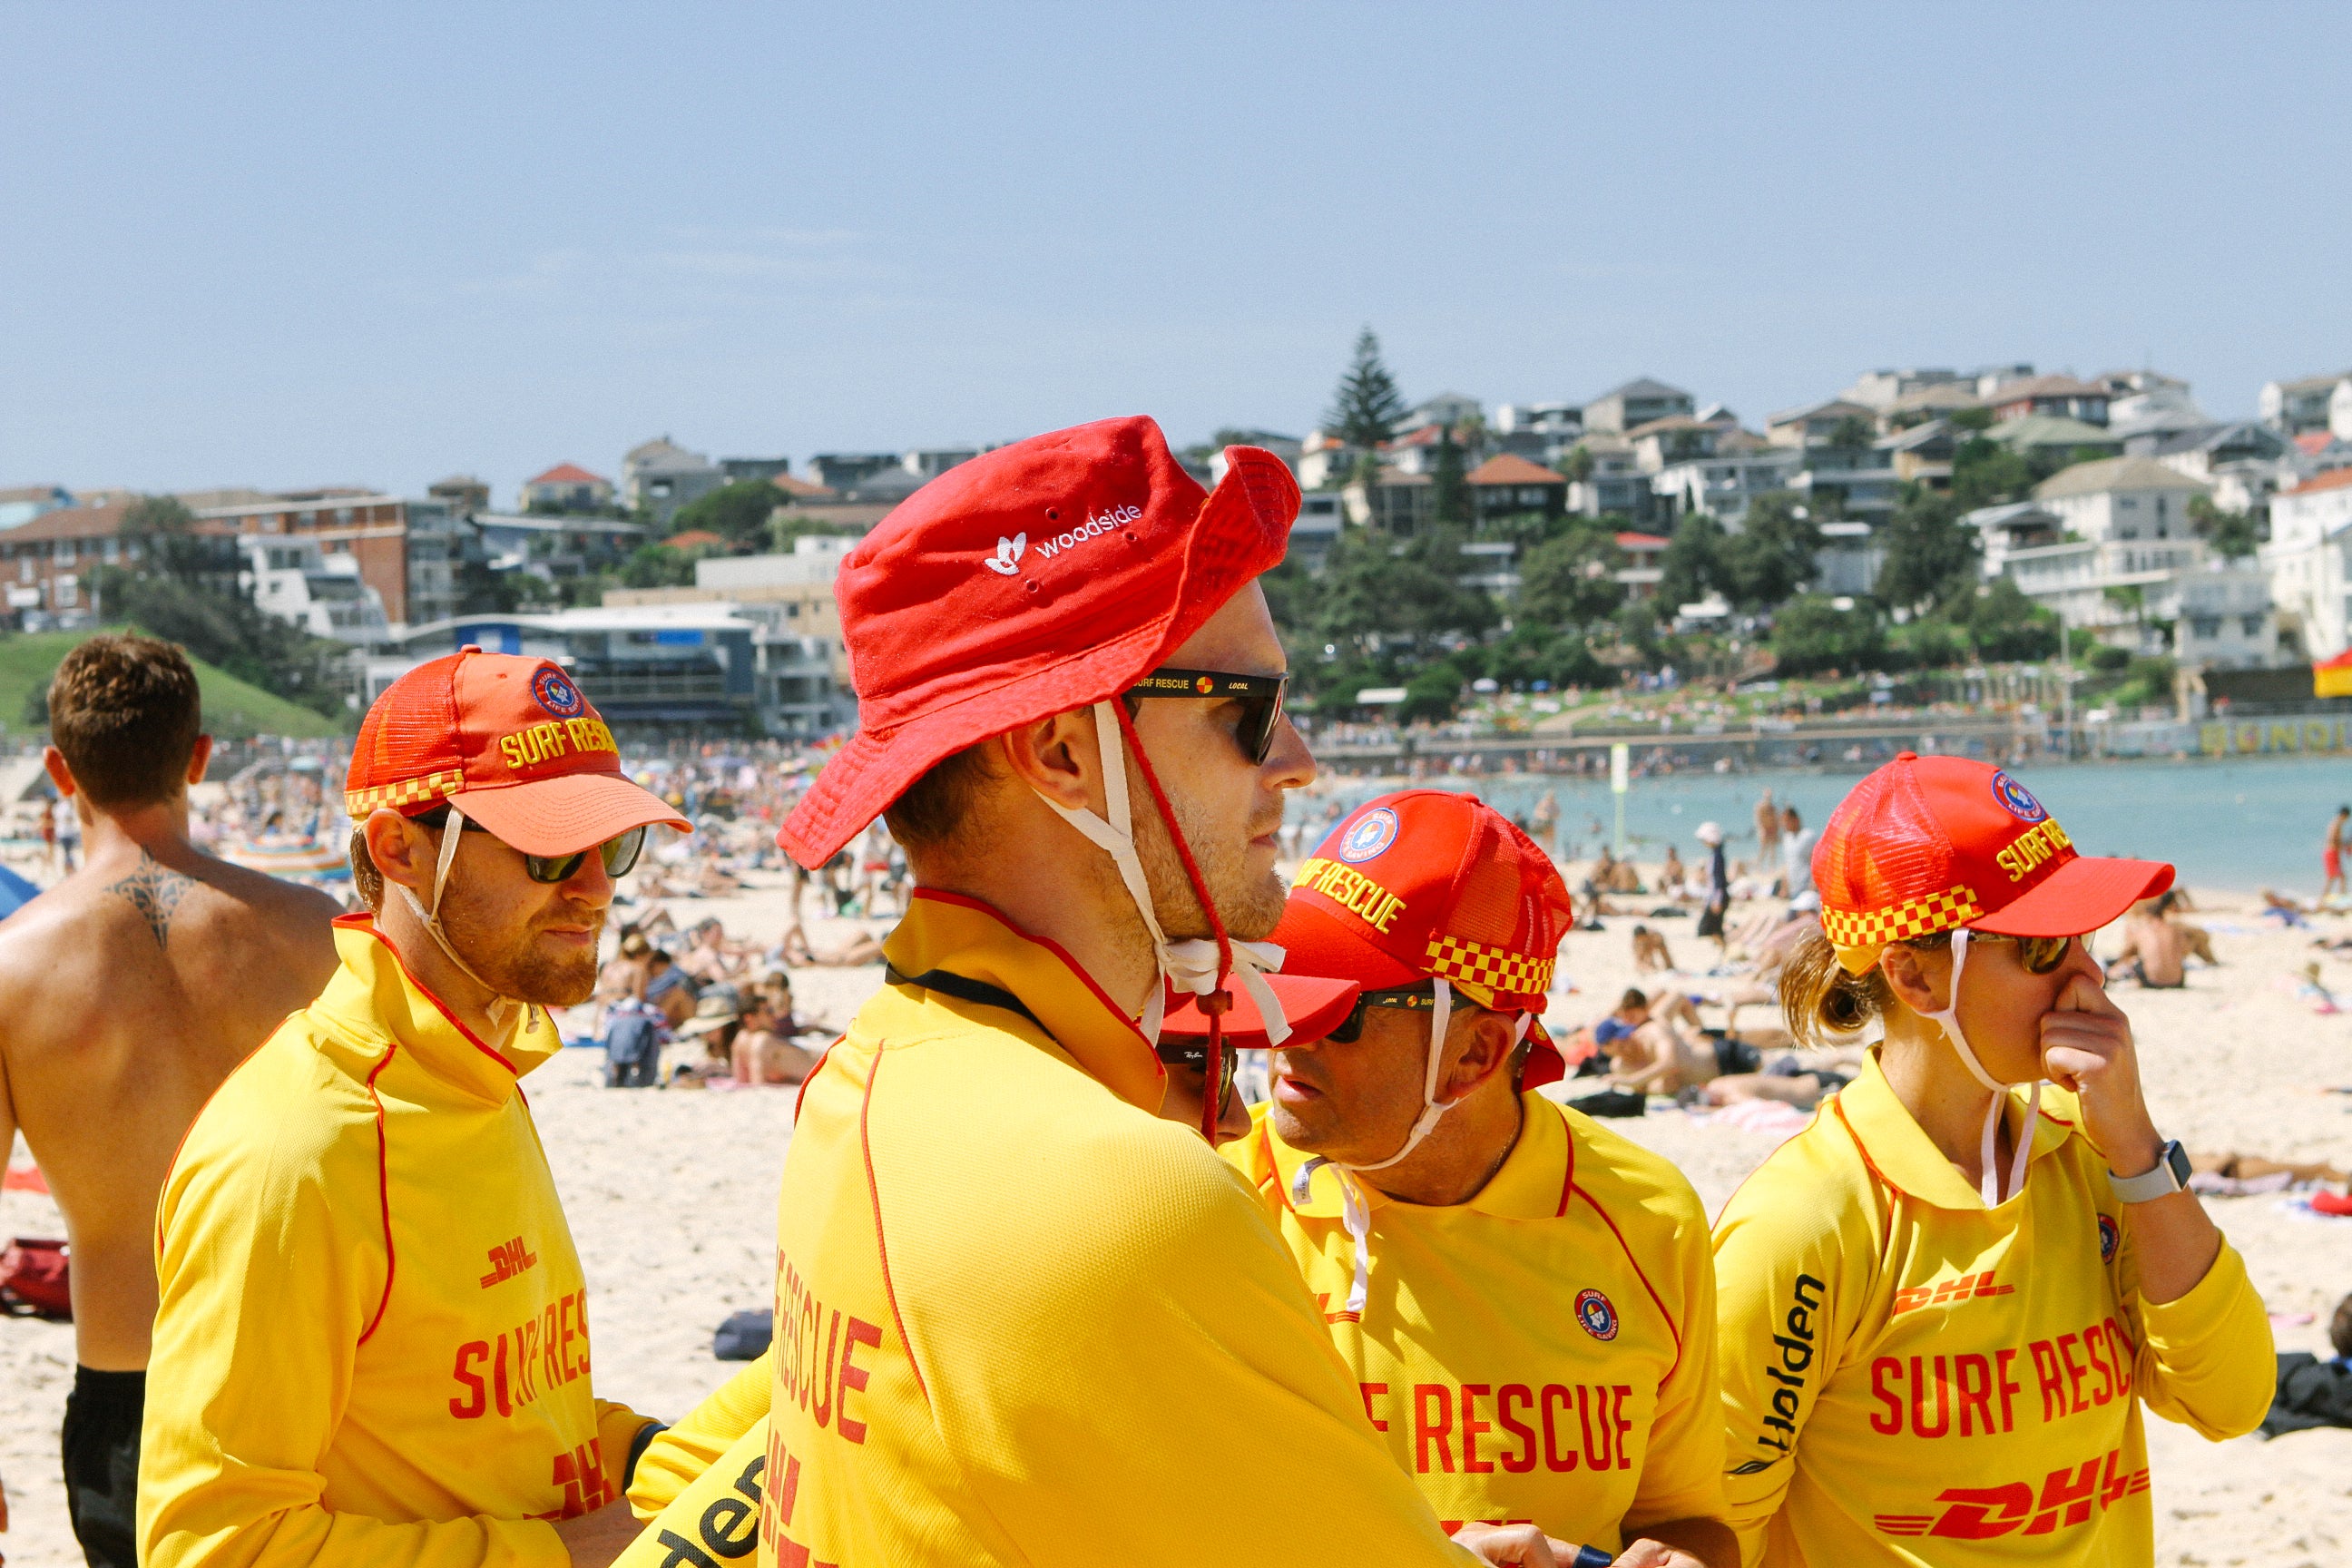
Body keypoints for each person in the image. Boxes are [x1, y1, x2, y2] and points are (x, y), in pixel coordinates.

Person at [623, 418, 1571, 1567]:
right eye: (1248, 711)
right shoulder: (1125, 1197)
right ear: (1066, 753)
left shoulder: (865, 1072)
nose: (1297, 760)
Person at [139, 649, 691, 1568]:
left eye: (614, 847)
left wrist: (659, 1455)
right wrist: (559, 1556)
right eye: (551, 850)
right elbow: (213, 1546)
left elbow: (501, 1416)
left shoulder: (479, 1071)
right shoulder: (298, 1153)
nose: (597, 888)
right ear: (399, 847)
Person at [1712, 753, 2273, 1563]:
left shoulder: (2093, 1155)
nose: (2089, 974)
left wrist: (2137, 1147)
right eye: (2042, 950)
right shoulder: (1805, 1222)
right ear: (1913, 975)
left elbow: (2231, 1400)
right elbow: (1716, 1525)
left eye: (2083, 937)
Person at [1230, 792, 1733, 1564]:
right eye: (1281, 979)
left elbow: (1689, 1520)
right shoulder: (1217, 1194)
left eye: (1339, 1008)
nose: (1286, 1027)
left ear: (1474, 1054)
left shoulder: (1647, 1215)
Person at [0, 636, 342, 1568]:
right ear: (199, 756)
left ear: (59, 770)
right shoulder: (318, 935)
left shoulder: (12, 970)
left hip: (130, 1388)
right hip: (310, 1382)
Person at [1693, 821, 1729, 955]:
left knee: (1707, 929)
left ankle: (1725, 950)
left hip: (1718, 898)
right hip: (1715, 898)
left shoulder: (1718, 857)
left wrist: (1717, 900)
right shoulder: (1715, 854)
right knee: (1714, 929)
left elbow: (1719, 880)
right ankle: (1724, 951)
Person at [1778, 805, 1813, 901]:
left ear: (1796, 820)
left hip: (1806, 887)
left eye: (1787, 821)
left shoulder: (1808, 836)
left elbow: (1815, 862)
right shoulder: (1787, 838)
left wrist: (1812, 887)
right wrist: (1784, 887)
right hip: (1792, 889)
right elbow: (1788, 864)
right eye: (1783, 821)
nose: (1784, 824)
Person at [2325, 805, 2348, 902]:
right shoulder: (2337, 824)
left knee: (2339, 876)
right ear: (2344, 815)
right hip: (2332, 853)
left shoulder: (2335, 823)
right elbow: (2333, 839)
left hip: (2332, 853)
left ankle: (2342, 898)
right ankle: (2324, 899)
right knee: (2333, 877)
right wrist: (2345, 845)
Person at [1753, 788, 1779, 864]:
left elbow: (1776, 819)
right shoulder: (1760, 806)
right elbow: (1757, 820)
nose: (1769, 798)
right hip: (1764, 830)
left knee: (1772, 850)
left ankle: (1772, 866)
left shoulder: (1773, 808)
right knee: (1763, 849)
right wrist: (1762, 829)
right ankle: (1759, 865)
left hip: (1772, 830)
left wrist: (1776, 829)